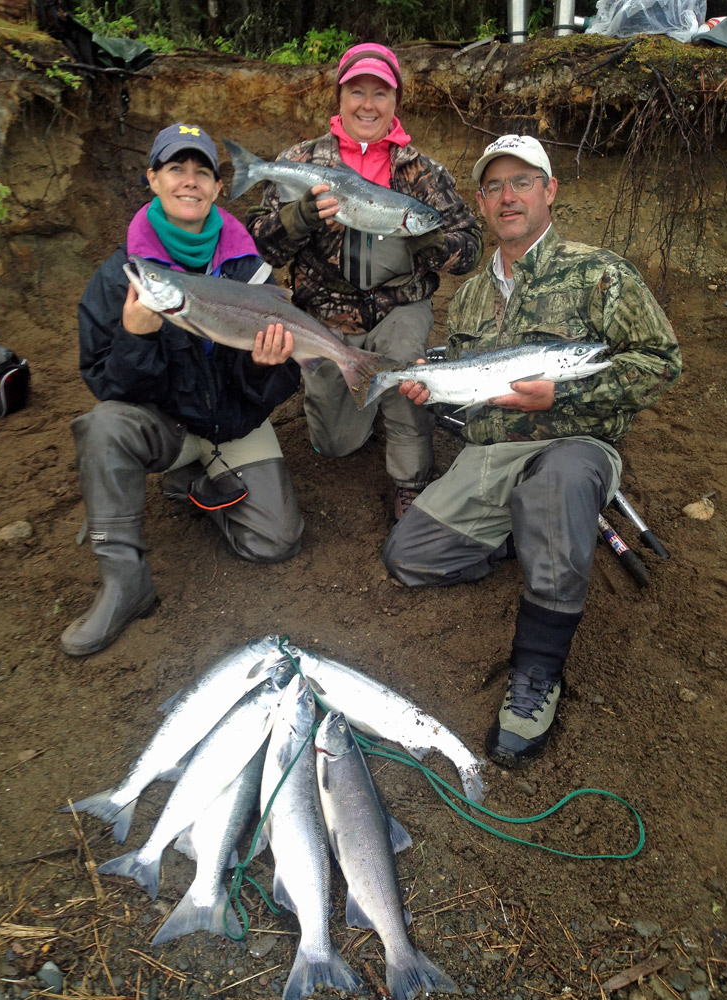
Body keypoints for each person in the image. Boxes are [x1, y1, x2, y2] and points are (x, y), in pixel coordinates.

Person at [382, 133, 682, 767]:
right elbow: (469, 394)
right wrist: (428, 386)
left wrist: (562, 402)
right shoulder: (465, 298)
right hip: (490, 455)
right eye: (494, 186)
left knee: (560, 483)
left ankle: (536, 675)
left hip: (573, 444)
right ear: (483, 204)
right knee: (409, 556)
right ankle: (538, 531)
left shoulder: (599, 272)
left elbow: (661, 362)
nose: (508, 196)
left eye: (523, 182)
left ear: (550, 192)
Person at [61, 122, 304, 657]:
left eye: (202, 172)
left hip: (235, 424)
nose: (189, 182)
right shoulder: (121, 276)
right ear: (153, 179)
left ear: (218, 188)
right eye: (176, 169)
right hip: (167, 426)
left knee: (276, 542)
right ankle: (125, 583)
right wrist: (136, 337)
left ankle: (196, 482)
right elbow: (105, 383)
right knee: (102, 428)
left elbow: (283, 381)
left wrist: (263, 368)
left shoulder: (251, 269)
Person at [246, 43, 483, 522]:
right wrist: (299, 219)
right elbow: (260, 250)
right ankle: (360, 408)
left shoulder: (422, 172)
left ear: (396, 101)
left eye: (381, 93)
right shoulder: (301, 160)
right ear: (340, 96)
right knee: (334, 444)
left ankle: (411, 482)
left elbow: (472, 246)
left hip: (399, 306)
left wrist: (433, 246)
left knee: (401, 370)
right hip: (325, 315)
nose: (368, 104)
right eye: (358, 91)